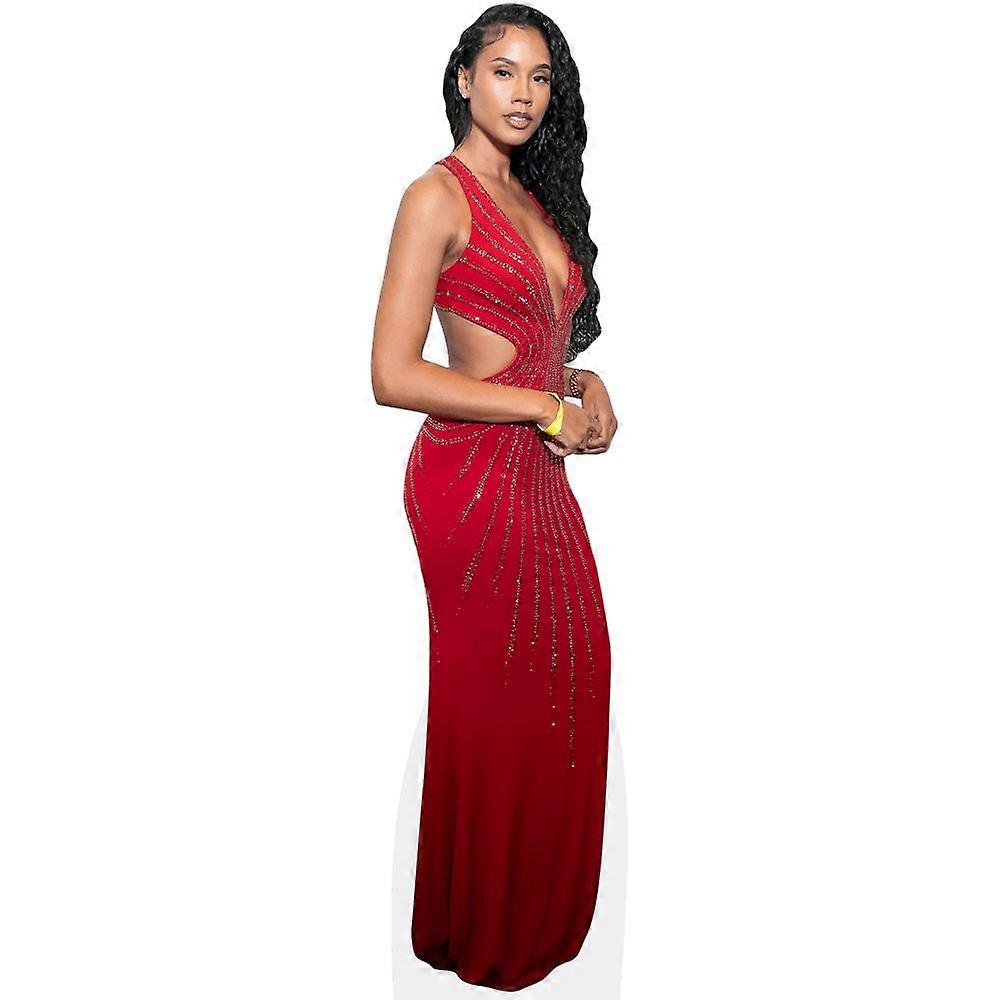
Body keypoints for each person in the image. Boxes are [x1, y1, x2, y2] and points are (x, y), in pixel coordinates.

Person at [371, 6, 620, 992]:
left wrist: (586, 387)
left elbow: (546, 352)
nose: (523, 92)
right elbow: (393, 373)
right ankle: (477, 928)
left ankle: (532, 916)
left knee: (574, 676)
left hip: (538, 474)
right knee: (494, 703)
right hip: (469, 480)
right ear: (464, 79)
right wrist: (541, 405)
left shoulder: (537, 199)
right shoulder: (434, 196)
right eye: (504, 70)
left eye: (540, 76)